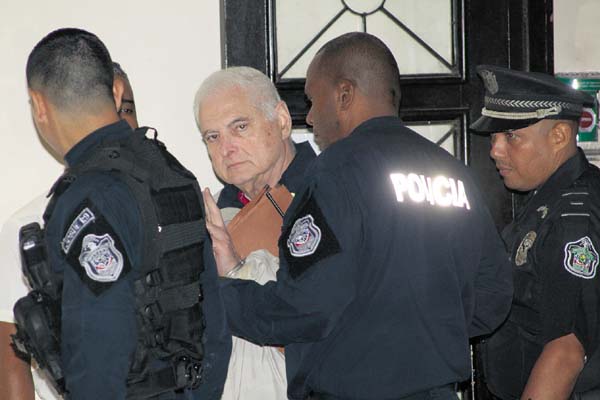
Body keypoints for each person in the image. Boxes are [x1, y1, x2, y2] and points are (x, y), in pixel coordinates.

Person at [203, 32, 513, 400]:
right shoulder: (451, 172)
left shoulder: (336, 173)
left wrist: (212, 293)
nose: (312, 117)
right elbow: (493, 296)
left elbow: (303, 309)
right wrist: (424, 337)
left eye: (314, 101)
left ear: (345, 94)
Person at [17, 28, 229, 399]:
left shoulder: (87, 199)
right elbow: (213, 318)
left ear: (38, 105)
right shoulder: (172, 174)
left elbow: (99, 351)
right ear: (116, 93)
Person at [0, 61, 138, 400]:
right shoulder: (27, 228)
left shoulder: (163, 208)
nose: (116, 123)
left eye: (127, 110)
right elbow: (10, 364)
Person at [471, 65, 600, 399]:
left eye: (511, 136)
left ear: (558, 136)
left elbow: (565, 353)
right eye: (495, 137)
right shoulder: (548, 202)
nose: (495, 150)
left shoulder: (574, 216)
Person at [193, 66, 316, 399]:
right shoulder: (211, 217)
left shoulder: (332, 194)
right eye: (212, 136)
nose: (226, 148)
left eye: (240, 127)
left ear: (281, 120)